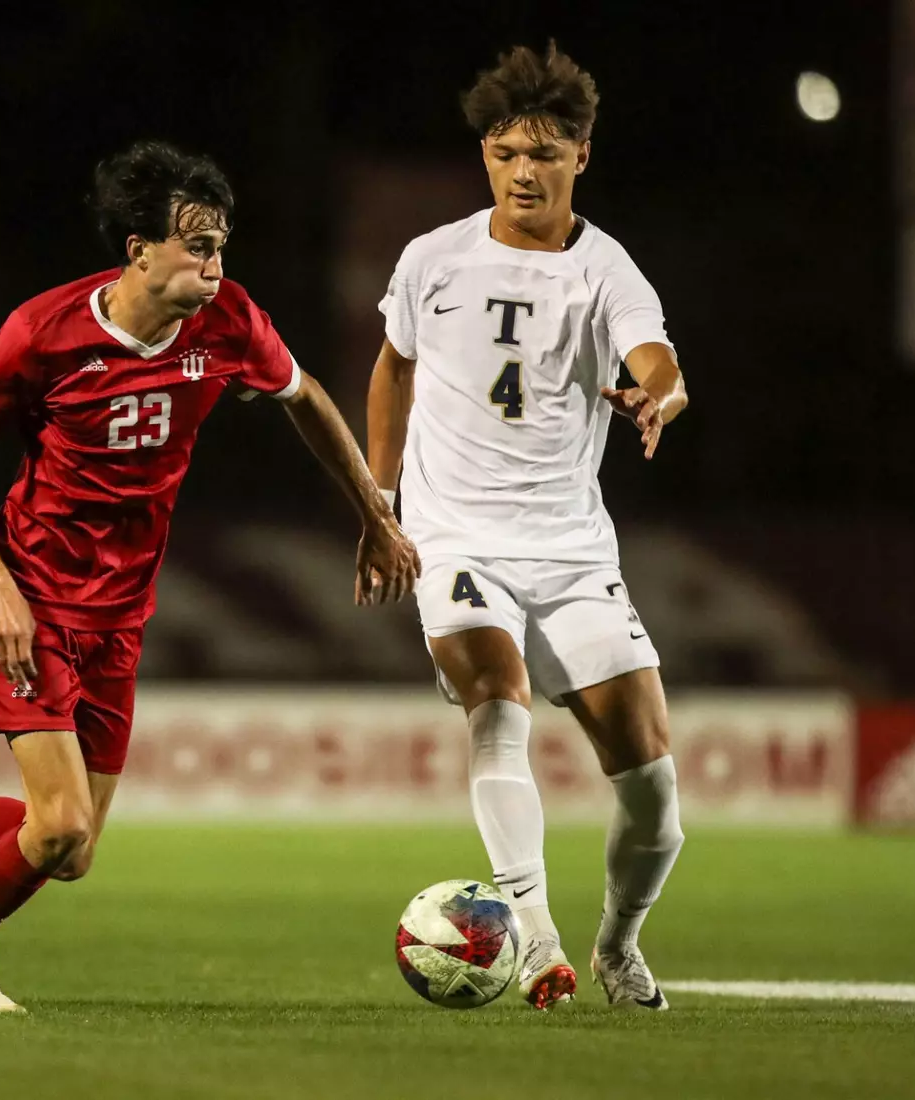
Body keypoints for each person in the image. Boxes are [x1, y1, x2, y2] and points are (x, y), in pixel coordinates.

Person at [0, 140, 420, 1013]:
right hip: (30, 596)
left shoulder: (230, 324)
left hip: (121, 611)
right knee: (56, 826)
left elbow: (307, 398)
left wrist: (374, 512)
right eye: (197, 246)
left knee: (74, 849)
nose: (216, 264)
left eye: (222, 246)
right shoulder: (42, 334)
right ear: (138, 249)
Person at [365, 41, 688, 1011]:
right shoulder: (433, 258)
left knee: (656, 802)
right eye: (505, 151)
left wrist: (653, 396)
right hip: (455, 536)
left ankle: (616, 944)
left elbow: (657, 356)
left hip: (571, 549)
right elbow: (394, 368)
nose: (522, 171)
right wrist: (383, 507)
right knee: (496, 702)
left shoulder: (606, 267)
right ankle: (532, 931)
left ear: (581, 156)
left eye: (545, 153)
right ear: (485, 156)